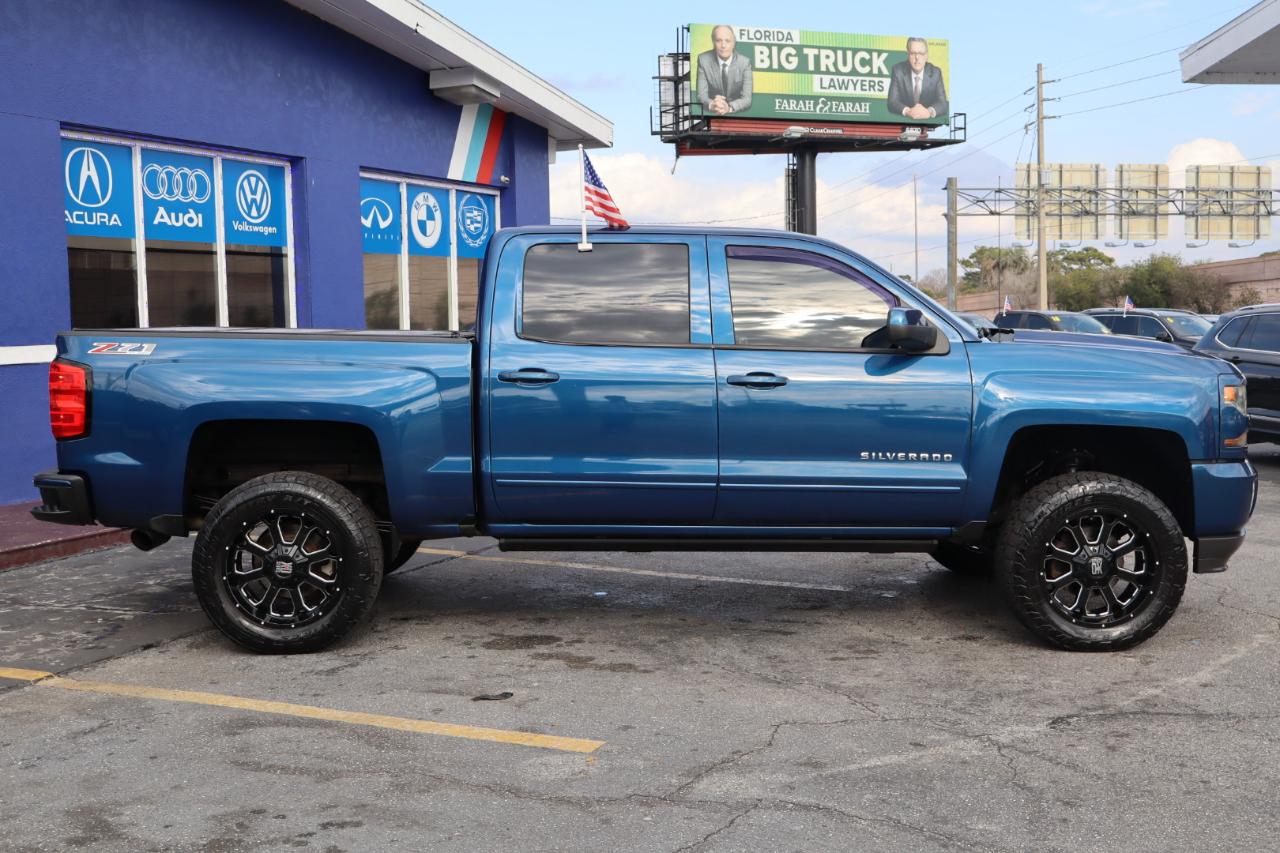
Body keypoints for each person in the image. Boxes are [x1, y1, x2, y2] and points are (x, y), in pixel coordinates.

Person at [696, 25, 753, 116]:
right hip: (714, 111)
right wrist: (712, 104)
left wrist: (728, 108)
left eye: (727, 41)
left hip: (735, 116)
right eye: (719, 40)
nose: (723, 45)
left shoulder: (744, 63)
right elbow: (701, 96)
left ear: (734, 42)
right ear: (713, 42)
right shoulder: (703, 60)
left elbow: (747, 99)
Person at [887, 37, 948, 121]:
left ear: (926, 56)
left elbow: (943, 104)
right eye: (913, 53)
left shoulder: (936, 73)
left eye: (921, 53)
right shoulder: (898, 70)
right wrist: (908, 111)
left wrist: (928, 112)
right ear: (908, 55)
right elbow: (892, 102)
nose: (917, 58)